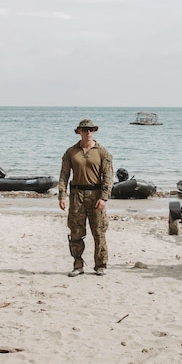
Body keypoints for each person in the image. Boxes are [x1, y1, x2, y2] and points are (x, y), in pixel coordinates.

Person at [57, 119, 113, 277]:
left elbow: (108, 176)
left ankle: (100, 265)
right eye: (84, 129)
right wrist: (62, 195)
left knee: (99, 232)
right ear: (79, 131)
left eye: (90, 130)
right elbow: (64, 175)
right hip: (76, 196)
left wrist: (104, 198)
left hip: (95, 195)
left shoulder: (102, 152)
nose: (87, 132)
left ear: (94, 131)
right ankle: (78, 264)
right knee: (76, 232)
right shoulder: (70, 152)